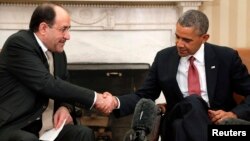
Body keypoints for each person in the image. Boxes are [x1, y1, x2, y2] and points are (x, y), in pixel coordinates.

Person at [97, 10, 250, 141]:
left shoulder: (226, 57)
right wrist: (115, 102)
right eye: (177, 37)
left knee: (181, 127)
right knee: (193, 102)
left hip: (213, 124)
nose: (179, 44)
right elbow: (144, 95)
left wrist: (234, 114)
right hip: (175, 117)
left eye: (186, 40)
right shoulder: (164, 58)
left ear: (204, 38)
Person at [0, 3, 114, 141]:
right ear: (43, 28)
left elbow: (64, 86)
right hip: (16, 126)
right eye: (63, 29)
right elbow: (46, 84)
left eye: (68, 29)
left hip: (49, 129)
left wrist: (65, 108)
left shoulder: (59, 53)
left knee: (83, 133)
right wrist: (96, 99)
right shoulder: (19, 44)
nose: (68, 36)